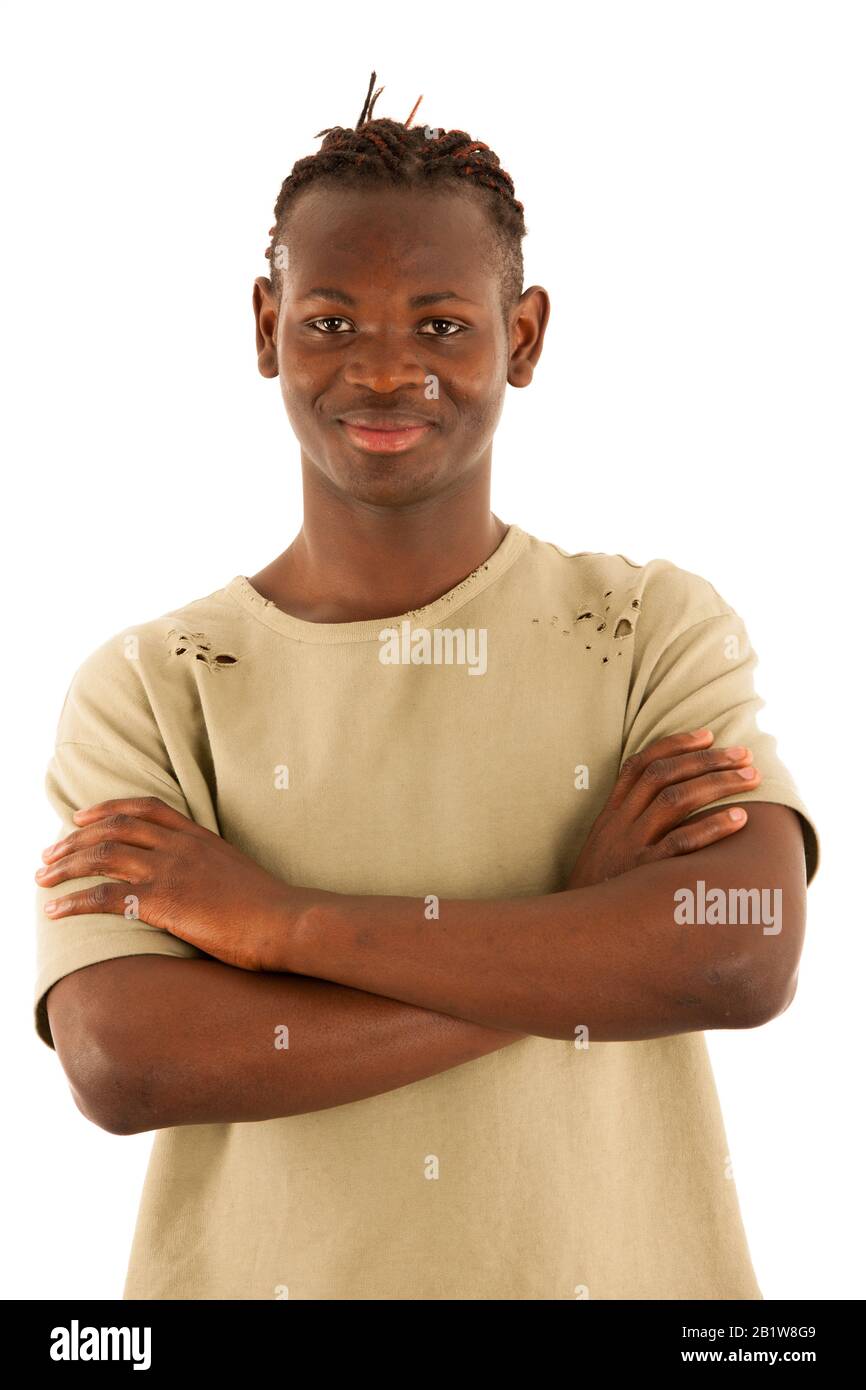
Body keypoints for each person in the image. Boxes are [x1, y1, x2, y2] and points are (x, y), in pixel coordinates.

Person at [34, 73, 820, 1301]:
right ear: (263, 327)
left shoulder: (644, 628)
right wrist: (578, 924)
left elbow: (739, 950)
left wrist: (281, 926)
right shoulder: (156, 687)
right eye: (331, 321)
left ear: (523, 334)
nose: (386, 371)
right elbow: (124, 1063)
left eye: (441, 323)